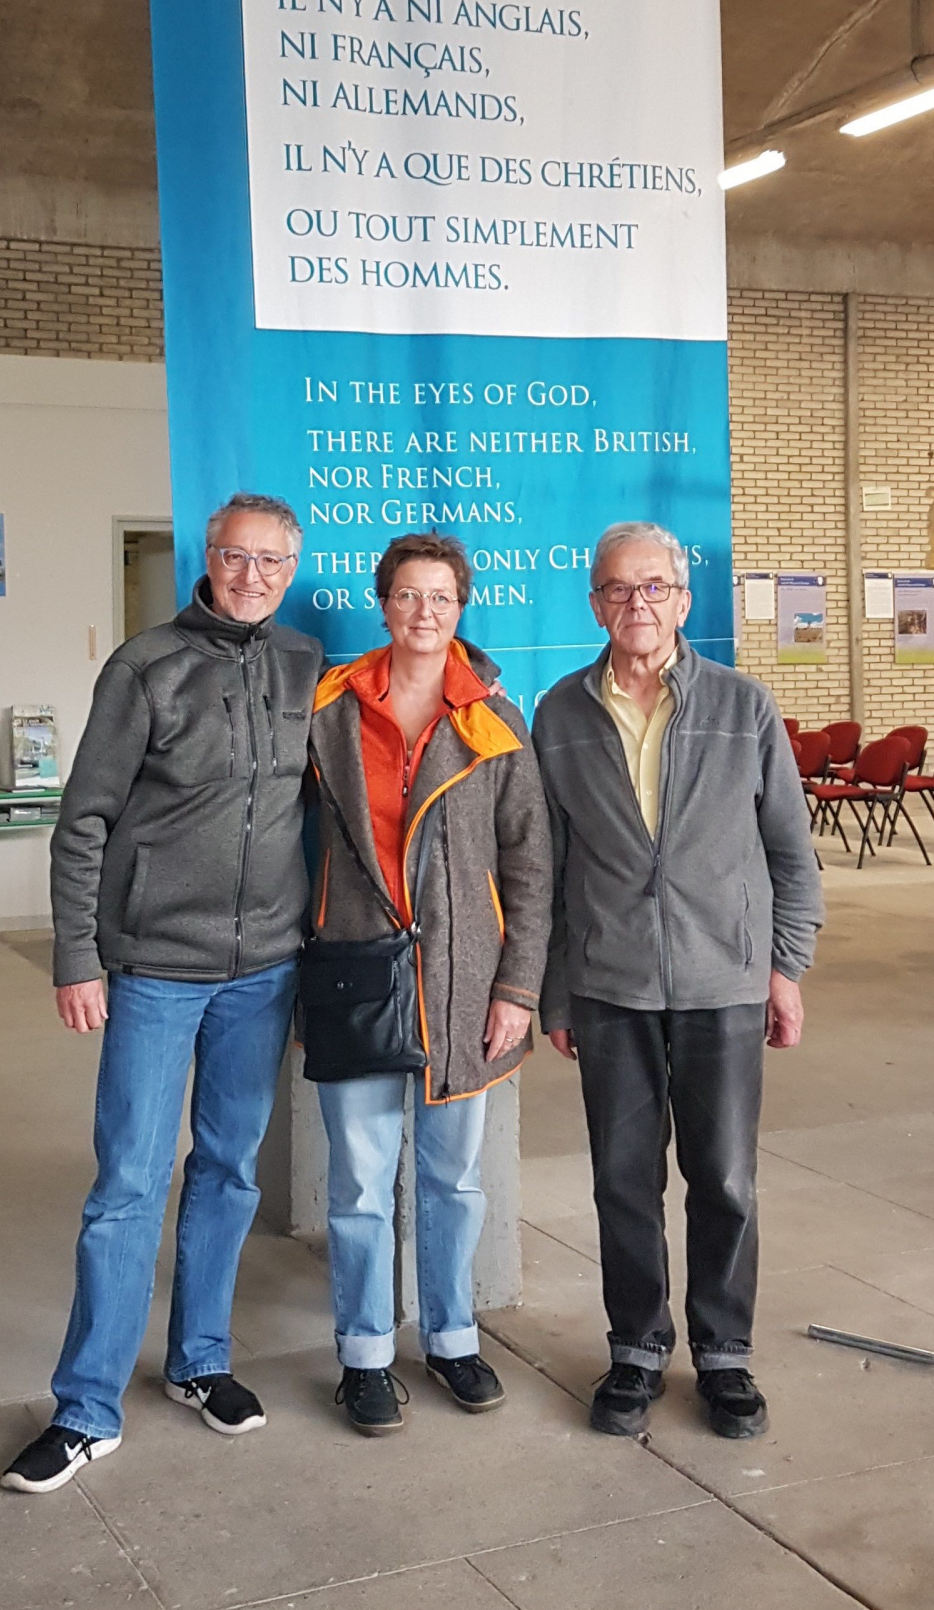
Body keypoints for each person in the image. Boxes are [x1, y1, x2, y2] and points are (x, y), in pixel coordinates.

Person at [1, 493, 322, 1493]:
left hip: (264, 967)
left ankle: (200, 1361)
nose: (253, 575)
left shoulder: (304, 662)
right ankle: (86, 1408)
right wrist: (77, 955)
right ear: (208, 558)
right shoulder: (146, 666)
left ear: (291, 568)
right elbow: (84, 820)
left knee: (228, 1169)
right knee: (129, 1185)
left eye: (271, 561)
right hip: (153, 967)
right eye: (237, 556)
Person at [534, 520, 823, 1443]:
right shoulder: (560, 714)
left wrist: (785, 967)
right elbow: (549, 866)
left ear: (683, 600)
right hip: (609, 982)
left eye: (654, 586)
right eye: (620, 589)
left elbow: (791, 854)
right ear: (595, 604)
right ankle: (637, 1348)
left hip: (723, 978)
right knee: (623, 1179)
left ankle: (725, 1355)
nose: (639, 604)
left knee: (724, 1177)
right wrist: (555, 991)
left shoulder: (744, 706)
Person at [307, 532, 553, 1436]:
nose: (424, 612)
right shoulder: (328, 709)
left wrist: (517, 989)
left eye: (441, 597)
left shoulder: (493, 719)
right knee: (360, 1186)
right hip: (355, 975)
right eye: (408, 595)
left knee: (453, 1180)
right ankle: (365, 1354)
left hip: (464, 986)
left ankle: (452, 1338)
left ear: (461, 608)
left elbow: (530, 863)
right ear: (383, 605)